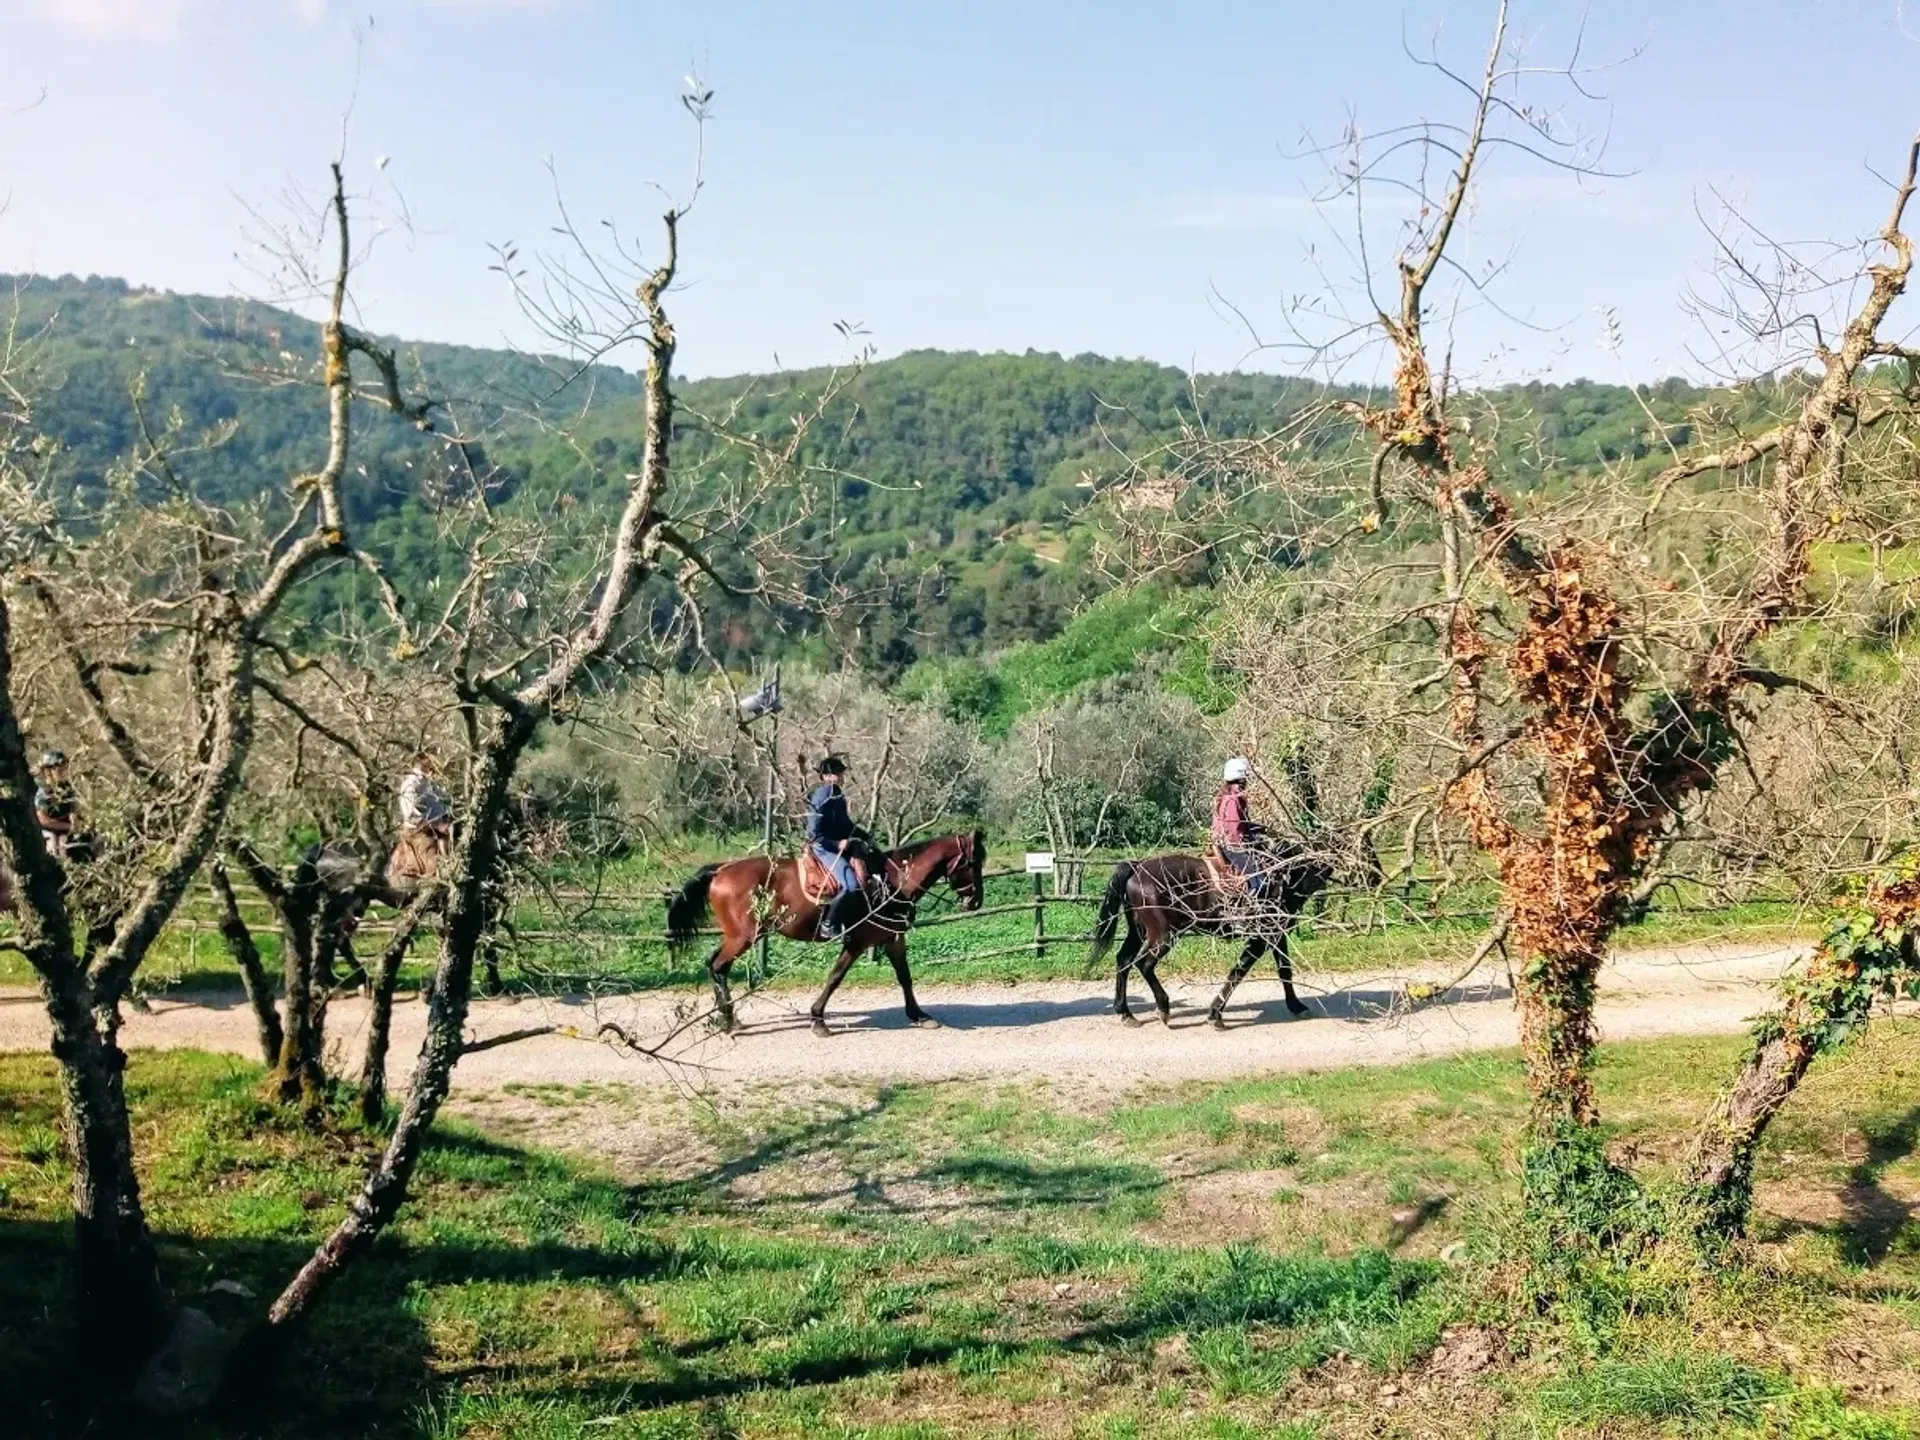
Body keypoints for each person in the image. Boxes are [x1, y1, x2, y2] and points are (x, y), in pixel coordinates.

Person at [805, 755, 869, 939]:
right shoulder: (822, 795)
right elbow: (813, 833)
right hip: (822, 847)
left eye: (840, 773)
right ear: (825, 776)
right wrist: (836, 843)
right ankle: (828, 925)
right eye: (835, 773)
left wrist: (864, 836)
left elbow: (845, 825)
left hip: (837, 845)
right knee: (851, 885)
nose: (840, 776)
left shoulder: (838, 793)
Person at [1211, 756, 1270, 900]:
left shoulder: (1226, 795)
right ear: (1242, 778)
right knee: (1260, 881)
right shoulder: (1233, 798)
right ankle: (1250, 905)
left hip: (1224, 840)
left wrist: (1259, 828)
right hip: (1230, 845)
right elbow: (1234, 828)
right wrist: (1246, 845)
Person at [399, 751, 454, 851]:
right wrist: (437, 825)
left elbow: (445, 797)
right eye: (429, 761)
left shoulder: (426, 781)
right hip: (424, 829)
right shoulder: (411, 784)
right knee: (444, 838)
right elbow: (413, 814)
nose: (432, 764)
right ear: (422, 762)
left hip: (442, 820)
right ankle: (447, 860)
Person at [33, 750, 78, 859]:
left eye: (64, 767)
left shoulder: (67, 788)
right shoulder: (42, 791)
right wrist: (69, 826)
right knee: (55, 844)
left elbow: (72, 809)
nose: (63, 771)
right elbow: (43, 820)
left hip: (66, 831)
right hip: (46, 832)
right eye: (59, 768)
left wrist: (75, 821)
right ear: (48, 771)